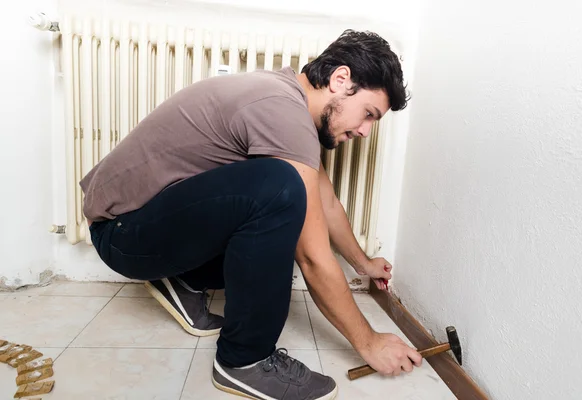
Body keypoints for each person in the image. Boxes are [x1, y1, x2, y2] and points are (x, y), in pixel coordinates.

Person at [81, 29, 423, 400]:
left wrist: (363, 263)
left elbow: (327, 203)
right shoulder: (283, 111)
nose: (365, 131)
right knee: (281, 188)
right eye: (368, 114)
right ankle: (244, 361)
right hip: (122, 233)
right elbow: (311, 256)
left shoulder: (288, 104)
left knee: (280, 205)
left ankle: (183, 282)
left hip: (139, 228)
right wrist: (369, 341)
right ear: (341, 80)